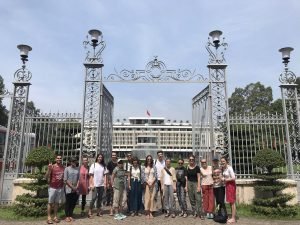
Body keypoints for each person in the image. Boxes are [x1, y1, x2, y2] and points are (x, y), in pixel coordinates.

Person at [45, 155, 65, 224]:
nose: (59, 159)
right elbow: (46, 176)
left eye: (60, 158)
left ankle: (55, 217)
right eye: (58, 158)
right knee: (50, 203)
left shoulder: (63, 167)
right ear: (55, 159)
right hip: (52, 187)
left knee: (56, 203)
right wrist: (49, 169)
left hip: (60, 188)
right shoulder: (52, 166)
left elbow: (63, 177)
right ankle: (49, 218)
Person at [88, 153, 108, 218]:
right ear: (97, 158)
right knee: (93, 198)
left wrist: (105, 183)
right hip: (95, 185)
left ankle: (98, 211)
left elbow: (105, 175)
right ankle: (90, 211)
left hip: (101, 185)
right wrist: (91, 184)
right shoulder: (93, 165)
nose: (100, 158)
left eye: (101, 157)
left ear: (102, 158)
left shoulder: (104, 166)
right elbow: (91, 175)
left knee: (100, 199)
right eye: (99, 157)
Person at [187, 154, 203, 219]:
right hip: (189, 183)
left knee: (198, 199)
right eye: (190, 160)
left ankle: (200, 213)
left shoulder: (197, 167)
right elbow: (186, 177)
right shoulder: (187, 167)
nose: (191, 161)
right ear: (189, 160)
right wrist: (186, 186)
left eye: (192, 160)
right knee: (191, 199)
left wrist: (199, 186)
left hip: (196, 183)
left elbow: (199, 177)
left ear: (194, 160)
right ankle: (194, 212)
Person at [220, 157, 236, 224]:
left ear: (226, 161)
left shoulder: (229, 168)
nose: (222, 162)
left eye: (223, 161)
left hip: (231, 186)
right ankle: (232, 216)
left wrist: (225, 179)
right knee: (230, 202)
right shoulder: (223, 168)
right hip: (227, 186)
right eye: (221, 161)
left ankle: (233, 218)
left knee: (232, 202)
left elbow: (233, 177)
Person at [64, 157, 79, 222]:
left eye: (75, 161)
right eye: (72, 161)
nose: (74, 162)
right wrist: (72, 187)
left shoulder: (77, 169)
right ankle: (67, 216)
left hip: (75, 189)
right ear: (70, 162)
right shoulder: (67, 169)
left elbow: (79, 179)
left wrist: (76, 187)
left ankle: (70, 215)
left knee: (73, 203)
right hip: (68, 188)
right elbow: (65, 180)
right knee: (68, 203)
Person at [144, 155, 157, 219]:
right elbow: (143, 176)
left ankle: (151, 212)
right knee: (147, 199)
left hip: (153, 184)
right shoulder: (144, 167)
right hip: (147, 185)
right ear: (146, 160)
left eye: (150, 159)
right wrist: (148, 182)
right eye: (148, 159)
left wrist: (152, 182)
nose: (149, 160)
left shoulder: (154, 167)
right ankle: (147, 212)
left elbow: (156, 175)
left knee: (152, 199)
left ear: (151, 160)